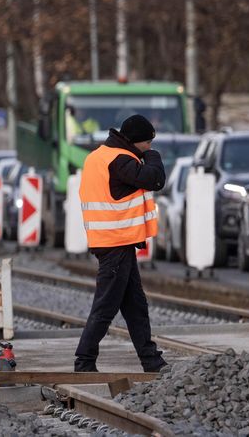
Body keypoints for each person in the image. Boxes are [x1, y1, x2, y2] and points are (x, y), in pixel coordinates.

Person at [74, 114, 169, 373]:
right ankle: (84, 361)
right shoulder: (119, 160)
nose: (149, 147)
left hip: (114, 241)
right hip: (115, 241)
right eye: (147, 143)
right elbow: (155, 180)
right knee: (106, 305)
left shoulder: (98, 156)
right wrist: (154, 156)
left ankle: (151, 360)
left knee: (135, 305)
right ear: (135, 141)